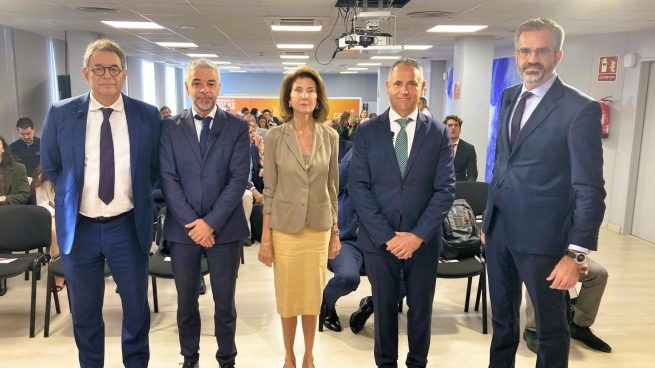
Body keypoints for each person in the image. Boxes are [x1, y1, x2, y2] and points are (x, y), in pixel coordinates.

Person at [481, 18, 605, 368]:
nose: (532, 58)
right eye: (525, 50)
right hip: (500, 230)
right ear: (517, 55)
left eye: (541, 50)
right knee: (503, 322)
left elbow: (590, 188)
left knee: (550, 329)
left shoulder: (579, 108)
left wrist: (576, 253)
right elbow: (502, 163)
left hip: (545, 239)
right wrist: (489, 217)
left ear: (558, 55)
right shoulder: (508, 97)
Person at [40, 38, 161, 368]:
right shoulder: (62, 113)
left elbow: (154, 169)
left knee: (136, 310)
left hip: (127, 225)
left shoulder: (147, 115)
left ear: (124, 73)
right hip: (80, 228)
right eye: (99, 68)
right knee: (85, 312)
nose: (107, 75)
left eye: (114, 68)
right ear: (86, 73)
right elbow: (51, 165)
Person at [349, 58, 455, 368]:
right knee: (383, 309)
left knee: (421, 309)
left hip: (422, 242)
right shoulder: (367, 132)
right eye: (398, 83)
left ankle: (417, 362)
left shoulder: (437, 133)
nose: (405, 90)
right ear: (388, 87)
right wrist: (387, 237)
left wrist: (417, 236)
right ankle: (386, 363)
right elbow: (359, 188)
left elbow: (445, 189)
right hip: (379, 242)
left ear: (422, 87)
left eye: (412, 83)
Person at [159, 59, 250, 368]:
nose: (204, 90)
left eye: (210, 83)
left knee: (224, 304)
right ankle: (190, 358)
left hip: (225, 229)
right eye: (197, 83)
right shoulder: (169, 128)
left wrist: (210, 223)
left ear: (219, 88)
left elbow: (238, 180)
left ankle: (227, 360)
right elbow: (168, 178)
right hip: (183, 230)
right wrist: (193, 224)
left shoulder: (237, 127)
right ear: (187, 87)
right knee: (186, 303)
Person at [257, 66, 340, 368]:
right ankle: (289, 356)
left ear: (318, 98)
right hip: (285, 230)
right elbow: (270, 190)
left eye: (310, 90)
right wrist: (266, 238)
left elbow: (333, 186)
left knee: (311, 297)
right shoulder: (275, 137)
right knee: (289, 297)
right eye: (298, 91)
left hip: (317, 230)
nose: (304, 96)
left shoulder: (329, 136)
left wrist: (335, 232)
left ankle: (308, 355)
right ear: (289, 99)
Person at [523, 257, 611, 353]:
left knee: (599, 275)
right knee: (541, 271)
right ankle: (533, 329)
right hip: (535, 252)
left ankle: (579, 326)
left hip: (566, 252)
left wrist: (575, 255)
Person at [31, 166, 66, 290]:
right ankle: (59, 271)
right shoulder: (43, 176)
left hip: (76, 212)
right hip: (53, 213)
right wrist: (58, 213)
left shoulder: (75, 168)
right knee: (53, 229)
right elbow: (42, 204)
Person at [443, 115, 477, 181]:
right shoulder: (437, 147)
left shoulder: (469, 149)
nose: (453, 128)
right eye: (450, 125)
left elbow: (472, 174)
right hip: (440, 188)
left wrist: (466, 189)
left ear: (460, 129)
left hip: (460, 189)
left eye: (456, 125)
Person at [0, 134, 31, 206]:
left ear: (3, 149)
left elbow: (25, 195)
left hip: (10, 211)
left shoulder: (18, 168)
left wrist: (4, 199)